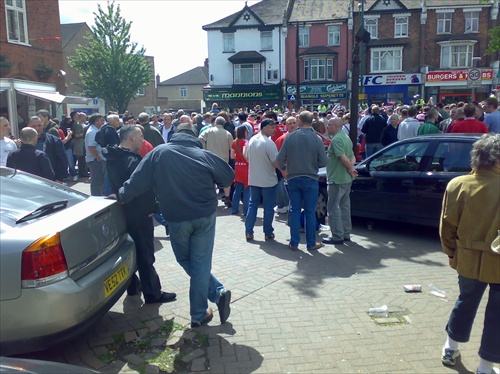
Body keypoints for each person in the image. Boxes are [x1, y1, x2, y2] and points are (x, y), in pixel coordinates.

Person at [115, 122, 234, 328]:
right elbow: (228, 177)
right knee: (200, 263)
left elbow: (137, 180)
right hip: (204, 216)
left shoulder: (160, 152)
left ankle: (207, 304)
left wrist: (121, 196)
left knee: (187, 261)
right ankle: (210, 300)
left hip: (177, 217)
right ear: (195, 137)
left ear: (175, 135)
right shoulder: (203, 154)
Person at [439, 134, 500, 374]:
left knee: (464, 302)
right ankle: (485, 366)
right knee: (497, 313)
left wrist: (452, 254)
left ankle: (450, 347)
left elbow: (446, 227)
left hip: (467, 257)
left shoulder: (457, 184)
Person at [106, 125, 176, 304]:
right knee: (145, 254)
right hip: (138, 214)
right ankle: (153, 293)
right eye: (141, 136)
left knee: (129, 251)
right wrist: (153, 208)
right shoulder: (132, 160)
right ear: (131, 138)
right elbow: (142, 188)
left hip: (122, 213)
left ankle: (133, 286)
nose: (143, 140)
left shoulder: (112, 157)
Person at [276, 111, 328, 252]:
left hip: (293, 177)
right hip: (310, 177)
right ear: (312, 122)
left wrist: (285, 168)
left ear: (299, 121)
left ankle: (294, 242)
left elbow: (279, 159)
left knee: (294, 210)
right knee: (310, 212)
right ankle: (311, 243)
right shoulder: (317, 139)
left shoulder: (290, 137)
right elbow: (324, 161)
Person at [245, 118, 283, 242]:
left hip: (254, 178)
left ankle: (249, 231)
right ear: (265, 127)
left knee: (253, 205)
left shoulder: (252, 140)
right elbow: (276, 162)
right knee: (268, 207)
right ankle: (268, 232)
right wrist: (285, 172)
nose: (274, 130)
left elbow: (247, 157)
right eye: (272, 127)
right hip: (268, 180)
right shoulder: (268, 143)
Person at [322, 118, 358, 245]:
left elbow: (342, 157)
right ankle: (346, 233)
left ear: (336, 126)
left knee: (333, 208)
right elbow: (352, 156)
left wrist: (350, 168)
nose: (327, 127)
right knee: (344, 206)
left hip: (337, 178)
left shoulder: (336, 139)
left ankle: (337, 236)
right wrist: (351, 168)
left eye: (329, 125)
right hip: (346, 178)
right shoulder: (346, 138)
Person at [198, 116, 233, 207]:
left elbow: (200, 139)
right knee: (226, 180)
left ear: (215, 123)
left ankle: (213, 197)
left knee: (211, 179)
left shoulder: (208, 131)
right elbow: (231, 147)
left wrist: (204, 149)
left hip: (210, 160)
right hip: (223, 160)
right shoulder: (227, 133)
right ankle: (227, 197)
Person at [28, 115, 68, 183]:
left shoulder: (54, 141)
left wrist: (59, 179)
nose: (37, 128)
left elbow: (62, 160)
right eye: (34, 126)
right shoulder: (23, 142)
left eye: (39, 125)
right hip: (30, 180)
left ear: (43, 125)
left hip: (50, 180)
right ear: (28, 126)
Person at [85, 113, 107, 196]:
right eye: (101, 120)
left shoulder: (96, 130)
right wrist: (98, 158)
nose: (103, 122)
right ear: (95, 121)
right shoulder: (92, 132)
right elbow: (91, 147)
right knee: (96, 180)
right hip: (95, 160)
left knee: (99, 180)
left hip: (97, 159)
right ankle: (95, 197)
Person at [230, 125, 250, 216]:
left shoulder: (234, 142)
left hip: (237, 167)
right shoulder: (246, 142)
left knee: (237, 189)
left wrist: (238, 158)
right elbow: (246, 156)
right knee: (247, 190)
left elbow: (232, 156)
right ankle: (246, 211)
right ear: (244, 132)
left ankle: (234, 209)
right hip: (246, 167)